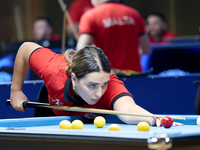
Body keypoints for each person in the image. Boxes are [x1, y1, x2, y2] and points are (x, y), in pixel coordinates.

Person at [10, 42, 183, 127]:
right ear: (75, 78)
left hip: (91, 120)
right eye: (92, 85)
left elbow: (128, 110)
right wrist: (16, 90)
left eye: (104, 84)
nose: (99, 93)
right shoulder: (53, 69)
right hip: (52, 108)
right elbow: (26, 49)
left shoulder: (111, 86)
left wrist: (153, 119)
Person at [76, 0, 150, 72]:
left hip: (107, 77)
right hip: (134, 75)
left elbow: (81, 50)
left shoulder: (90, 16)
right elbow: (146, 50)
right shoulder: (134, 14)